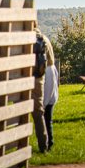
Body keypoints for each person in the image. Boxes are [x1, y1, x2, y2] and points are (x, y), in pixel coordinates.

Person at [32, 21, 55, 152]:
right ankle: (45, 144)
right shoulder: (43, 38)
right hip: (42, 76)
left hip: (33, 75)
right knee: (41, 112)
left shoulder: (25, 39)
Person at [42, 55, 59, 152]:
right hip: (50, 99)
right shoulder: (51, 67)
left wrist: (44, 103)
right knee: (47, 121)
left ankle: (49, 142)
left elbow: (50, 87)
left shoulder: (49, 68)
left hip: (48, 100)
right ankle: (48, 142)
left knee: (47, 121)